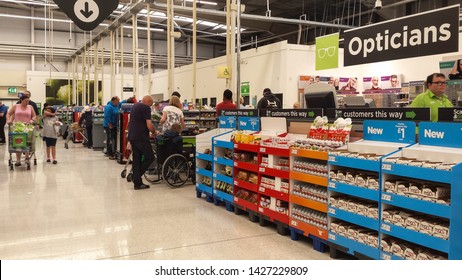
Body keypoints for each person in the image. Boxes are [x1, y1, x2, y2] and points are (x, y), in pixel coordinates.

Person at [127, 95, 156, 190]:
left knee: (137, 159)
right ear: (148, 102)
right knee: (150, 157)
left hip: (132, 136)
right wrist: (154, 132)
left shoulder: (135, 106)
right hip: (141, 137)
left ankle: (138, 183)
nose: (150, 107)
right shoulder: (146, 107)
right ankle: (136, 177)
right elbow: (149, 124)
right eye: (150, 104)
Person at [7, 95, 37, 166]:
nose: (27, 102)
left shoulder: (30, 107)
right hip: (17, 128)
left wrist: (32, 120)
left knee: (27, 143)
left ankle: (27, 158)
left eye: (28, 101)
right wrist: (8, 120)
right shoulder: (16, 106)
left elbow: (34, 115)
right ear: (21, 100)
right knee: (18, 143)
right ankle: (18, 160)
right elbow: (8, 113)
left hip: (27, 128)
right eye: (26, 101)